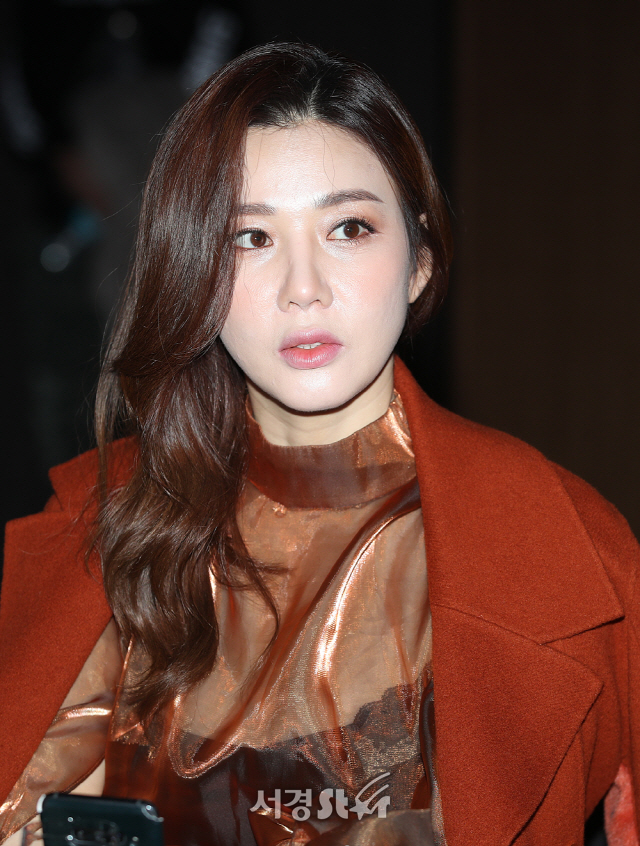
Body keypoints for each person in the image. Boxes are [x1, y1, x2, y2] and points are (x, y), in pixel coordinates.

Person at [0, 42, 639, 846]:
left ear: (420, 259)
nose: (303, 288)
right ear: (195, 272)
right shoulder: (89, 534)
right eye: (250, 238)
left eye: (348, 227)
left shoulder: (569, 548)